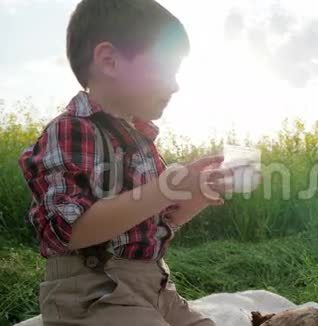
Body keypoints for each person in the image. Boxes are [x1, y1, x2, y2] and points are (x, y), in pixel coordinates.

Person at [18, 1, 240, 325]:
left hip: (156, 287)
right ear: (109, 61)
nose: (176, 84)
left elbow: (162, 219)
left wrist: (198, 195)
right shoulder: (71, 130)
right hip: (94, 292)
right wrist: (167, 187)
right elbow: (72, 230)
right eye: (167, 68)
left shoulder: (140, 139)